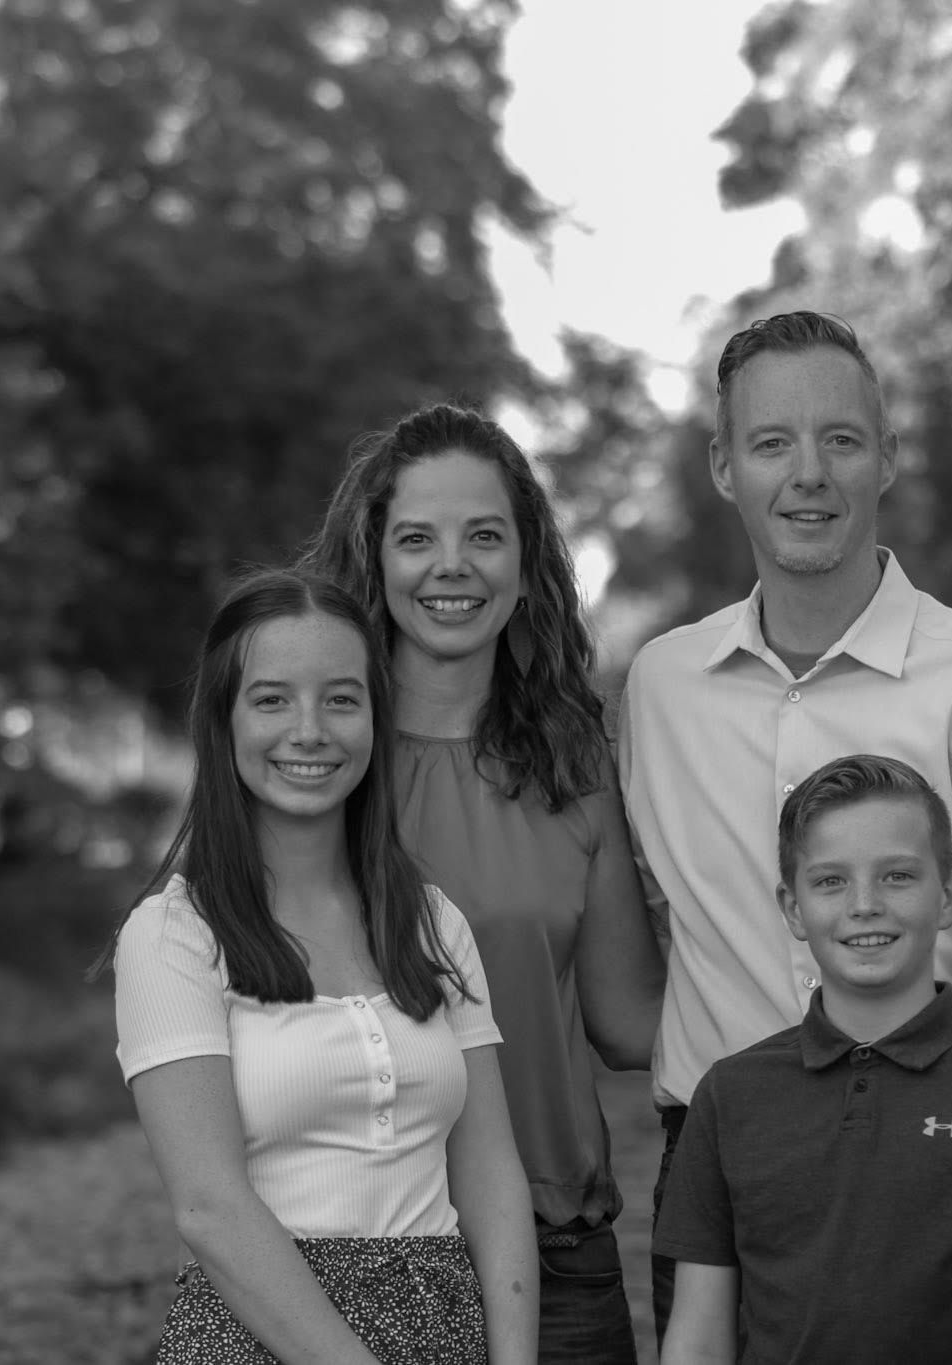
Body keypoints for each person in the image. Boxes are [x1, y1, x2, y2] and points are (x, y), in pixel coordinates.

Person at [617, 310, 952, 1332]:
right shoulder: (661, 688)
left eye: (840, 439)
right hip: (720, 1172)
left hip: (936, 1158)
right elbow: (654, 913)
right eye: (771, 443)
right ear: (723, 467)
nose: (809, 475)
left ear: (886, 457)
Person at [302, 404, 666, 1364]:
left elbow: (629, 1022)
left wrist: (833, 993)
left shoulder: (575, 762)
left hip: (557, 1255)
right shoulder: (317, 758)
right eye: (418, 538)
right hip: (356, 1251)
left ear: (527, 563)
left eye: (485, 537)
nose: (452, 566)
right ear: (374, 559)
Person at [103, 569, 537, 1365]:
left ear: (375, 717)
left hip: (444, 1326)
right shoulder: (173, 935)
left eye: (341, 699)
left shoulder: (432, 920)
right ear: (222, 721)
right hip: (257, 1334)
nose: (310, 730)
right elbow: (210, 1208)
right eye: (271, 700)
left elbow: (490, 1171)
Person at [653, 755, 952, 1365]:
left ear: (948, 897)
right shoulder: (730, 1095)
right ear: (792, 908)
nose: (864, 904)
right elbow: (698, 1341)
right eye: (830, 881)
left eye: (897, 876)